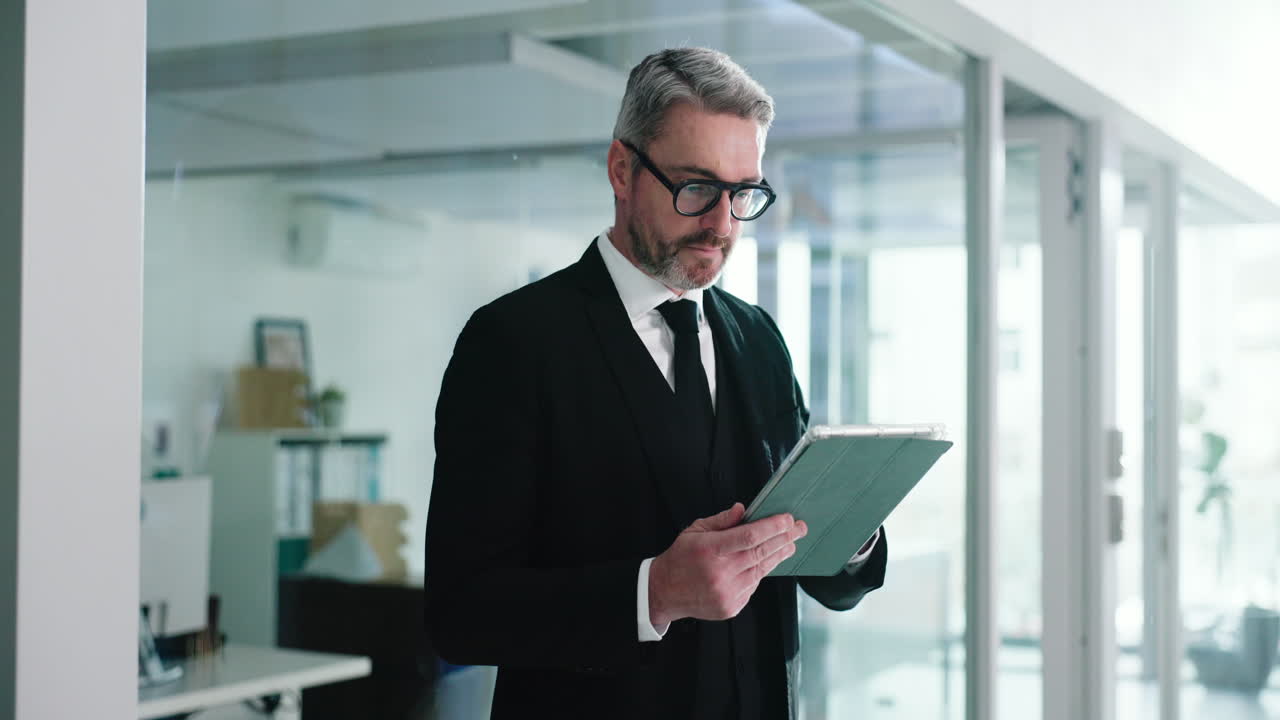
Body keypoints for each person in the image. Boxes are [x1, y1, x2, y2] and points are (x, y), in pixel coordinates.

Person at [424, 47, 886, 720]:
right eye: (697, 188)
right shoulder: (514, 343)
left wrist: (852, 523)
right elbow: (460, 614)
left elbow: (808, 559)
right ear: (621, 170)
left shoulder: (759, 339)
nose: (723, 225)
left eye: (743, 194)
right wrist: (654, 593)